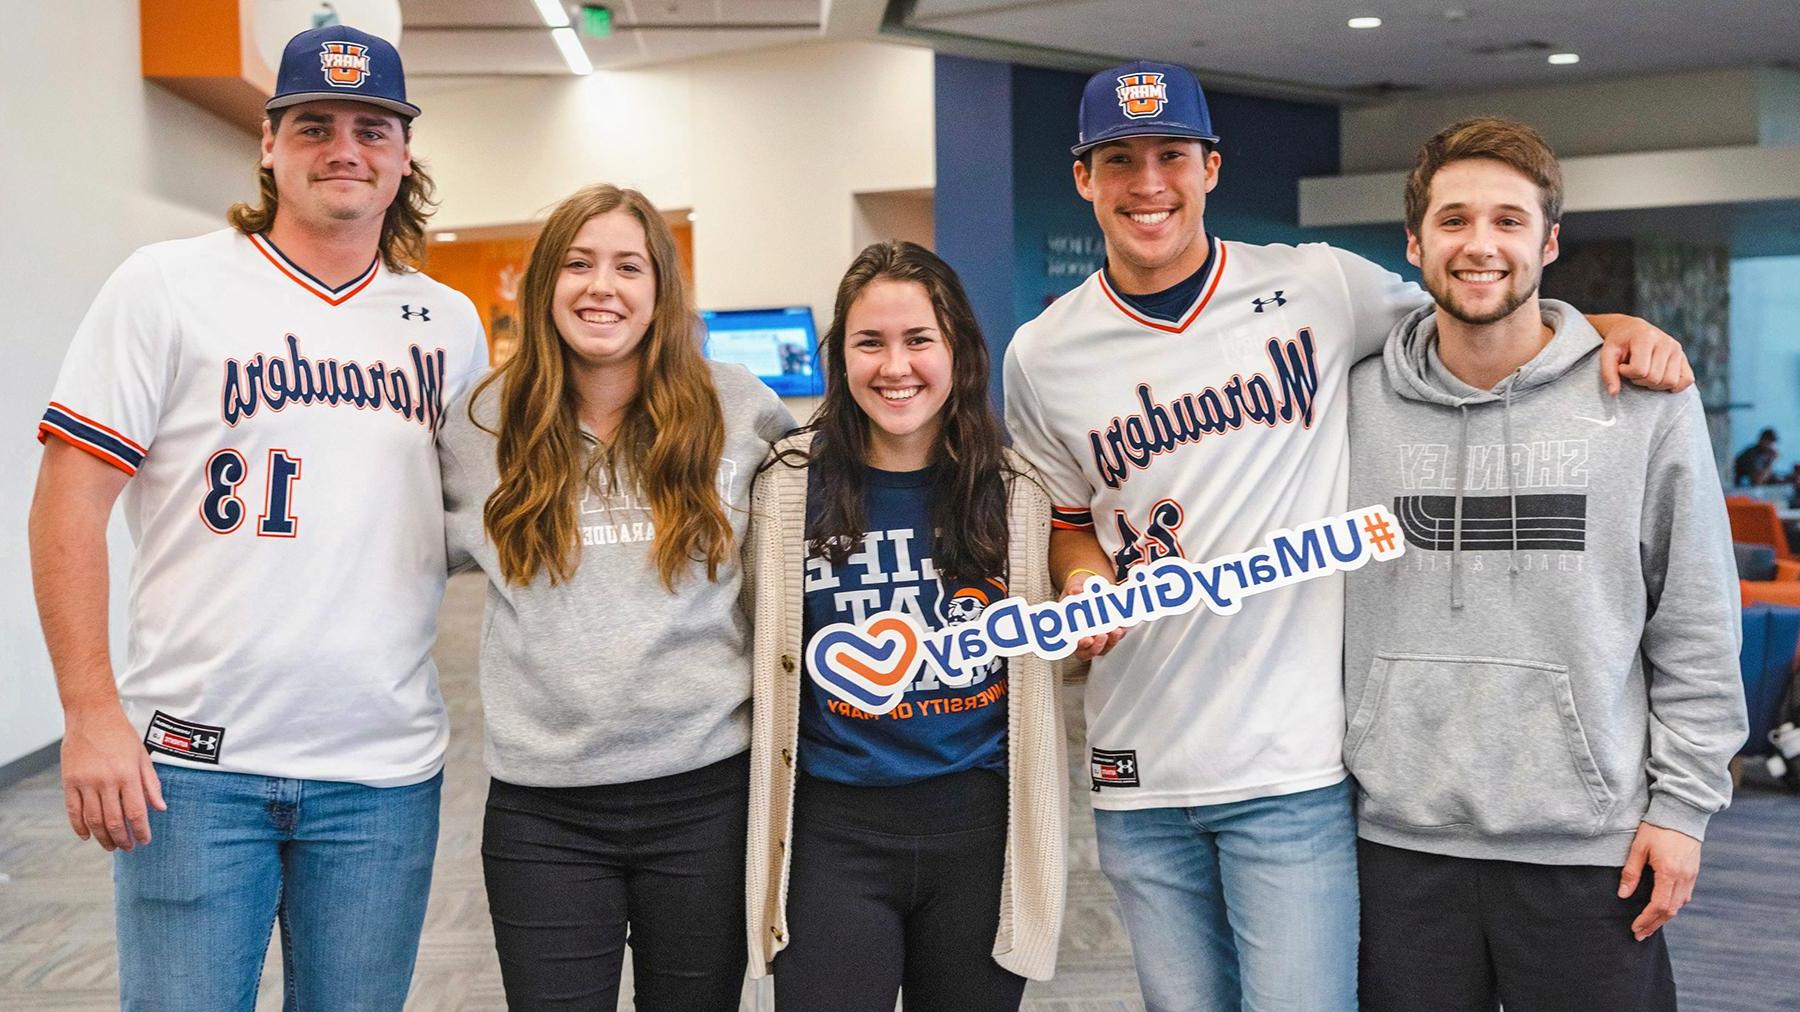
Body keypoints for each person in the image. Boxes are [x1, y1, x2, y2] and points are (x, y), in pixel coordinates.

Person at [1000, 60, 1694, 1010]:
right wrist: (1079, 580)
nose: (1148, 183)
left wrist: (1606, 324)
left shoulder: (1319, 287)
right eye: (1119, 160)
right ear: (1085, 178)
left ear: (1210, 166)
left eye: (1170, 155)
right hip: (1139, 757)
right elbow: (1068, 519)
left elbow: (1485, 307)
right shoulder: (1041, 354)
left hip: (1300, 766)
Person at [27, 25, 487, 1008]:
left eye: (373, 128)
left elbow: (494, 509)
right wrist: (89, 712)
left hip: (382, 769)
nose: (345, 149)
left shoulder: (447, 322)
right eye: (314, 125)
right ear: (269, 145)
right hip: (193, 771)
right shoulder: (166, 285)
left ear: (405, 158)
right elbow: (69, 497)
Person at [1345, 116, 1747, 1011]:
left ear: (1549, 242)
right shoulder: (1353, 403)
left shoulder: (1643, 404)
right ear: (1414, 244)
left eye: (1508, 221)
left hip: (1589, 848)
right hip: (1399, 846)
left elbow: (1695, 622)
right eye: (1452, 221)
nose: (1479, 245)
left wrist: (1684, 812)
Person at [438, 183, 793, 1010]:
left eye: (629, 266)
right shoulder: (477, 424)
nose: (603, 286)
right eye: (578, 263)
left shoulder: (739, 408)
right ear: (543, 287)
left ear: (661, 290)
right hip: (544, 813)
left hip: (706, 795)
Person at [745, 241, 1067, 1010]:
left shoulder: (1016, 491)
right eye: (870, 342)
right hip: (832, 830)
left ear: (956, 349)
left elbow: (1049, 655)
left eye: (919, 339)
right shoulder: (789, 486)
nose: (896, 365)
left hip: (978, 829)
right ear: (841, 356)